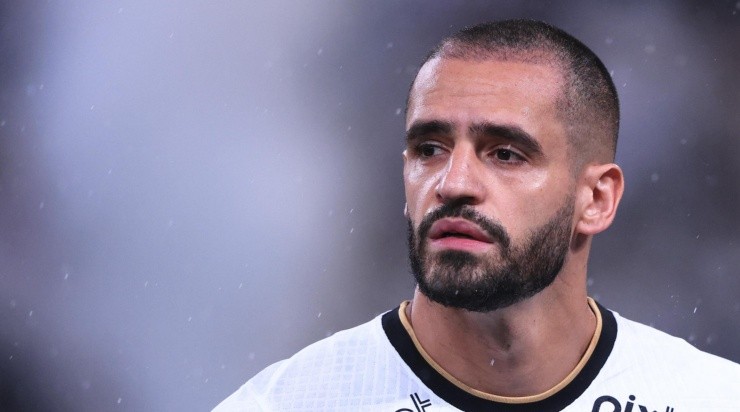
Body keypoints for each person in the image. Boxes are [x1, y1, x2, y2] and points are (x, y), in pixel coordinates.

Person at [214, 19, 740, 411]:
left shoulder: (707, 399)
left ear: (597, 199)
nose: (453, 184)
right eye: (430, 149)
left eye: (505, 153)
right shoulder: (289, 403)